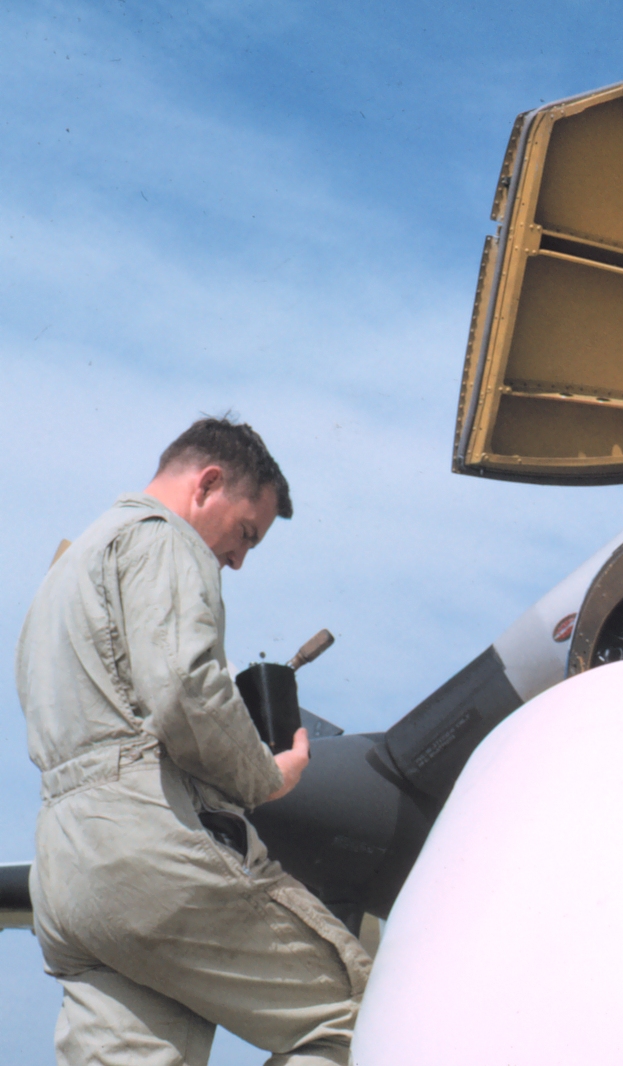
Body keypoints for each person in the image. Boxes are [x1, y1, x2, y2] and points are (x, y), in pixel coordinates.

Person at [15, 416, 371, 1066]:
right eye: (246, 533)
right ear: (207, 484)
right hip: (148, 850)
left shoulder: (62, 579)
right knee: (360, 1019)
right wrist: (266, 776)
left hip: (67, 875)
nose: (237, 559)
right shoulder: (162, 538)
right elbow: (183, 689)